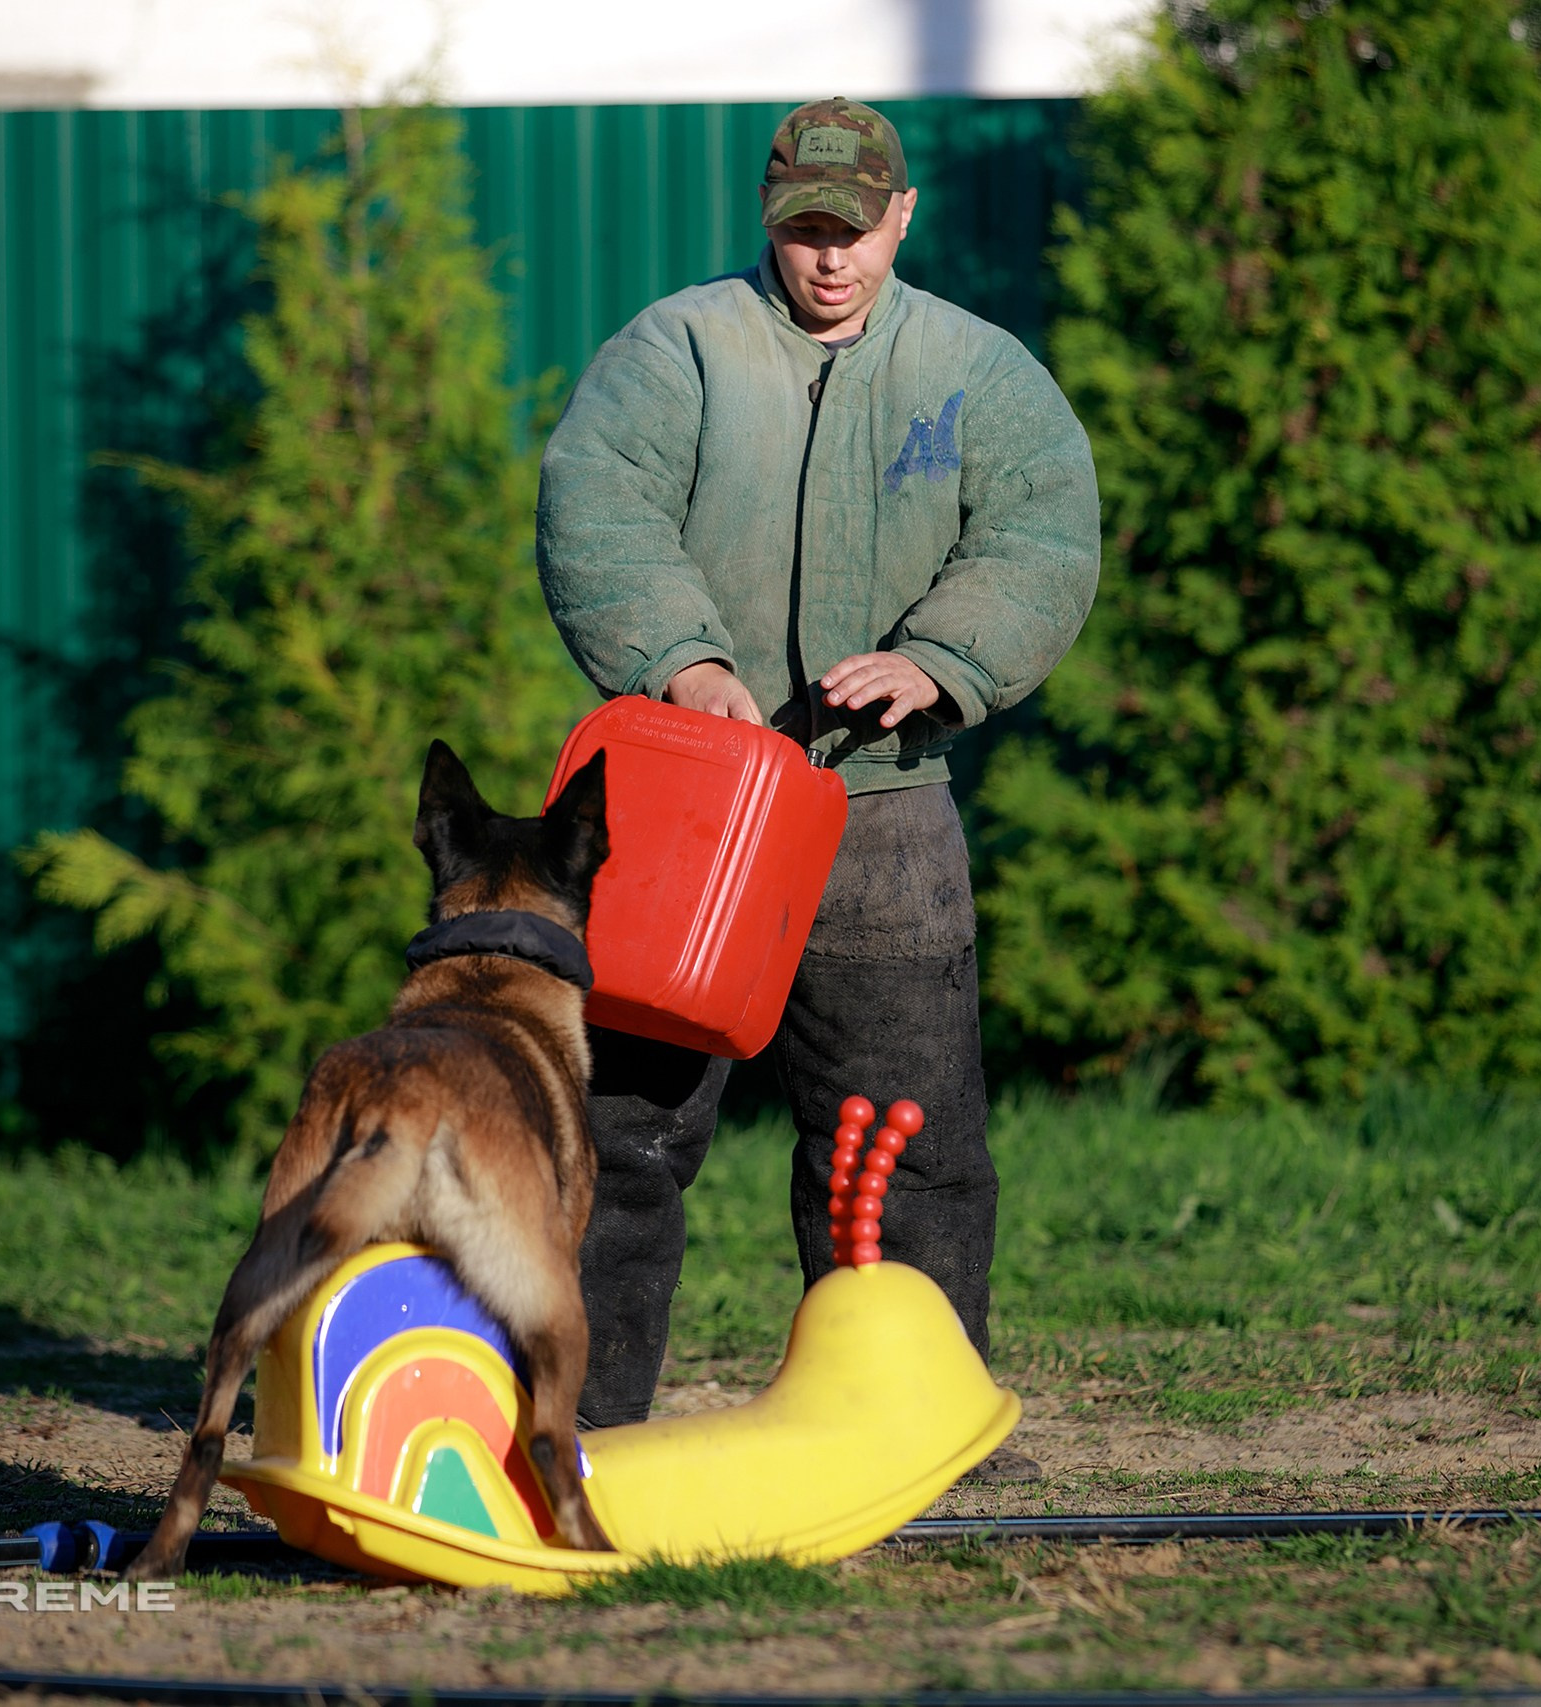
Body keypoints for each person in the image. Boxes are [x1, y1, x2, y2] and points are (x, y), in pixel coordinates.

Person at [535, 98, 1100, 1475]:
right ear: (768, 219)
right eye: (803, 231)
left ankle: (927, 1425)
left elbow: (1042, 537)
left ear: (904, 216)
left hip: (886, 810)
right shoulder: (678, 350)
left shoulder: (980, 371)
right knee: (624, 1135)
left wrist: (942, 663)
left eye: (854, 231)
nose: (829, 260)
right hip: (693, 813)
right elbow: (596, 509)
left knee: (900, 1138)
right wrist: (683, 662)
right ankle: (574, 1432)